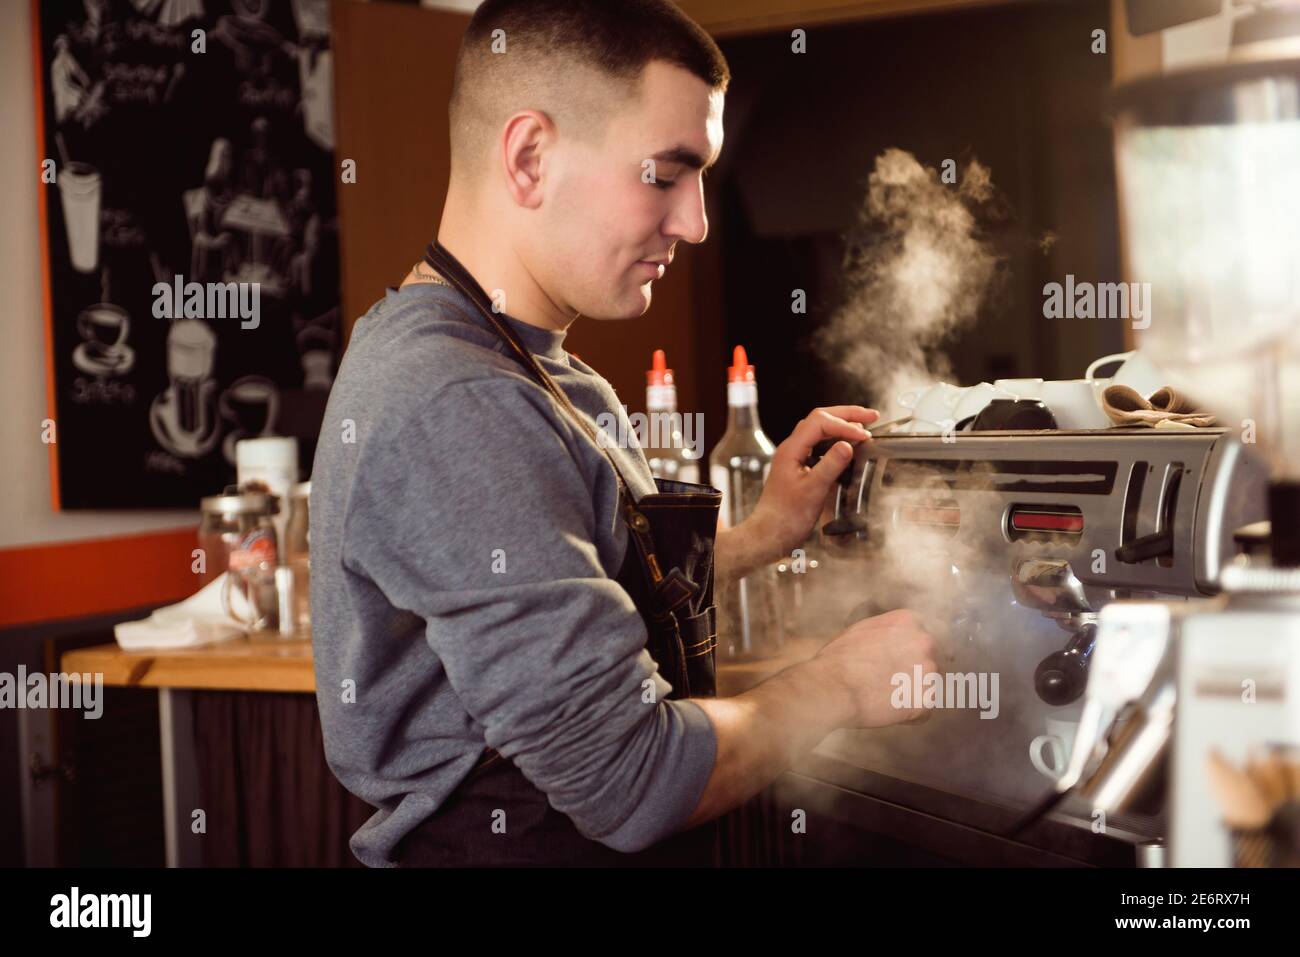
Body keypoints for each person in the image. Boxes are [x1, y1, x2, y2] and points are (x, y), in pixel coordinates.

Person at [310, 0, 935, 868]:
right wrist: (838, 684)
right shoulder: (453, 397)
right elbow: (627, 779)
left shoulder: (542, 369)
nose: (697, 222)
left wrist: (761, 534)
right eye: (665, 174)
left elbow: (589, 567)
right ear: (529, 157)